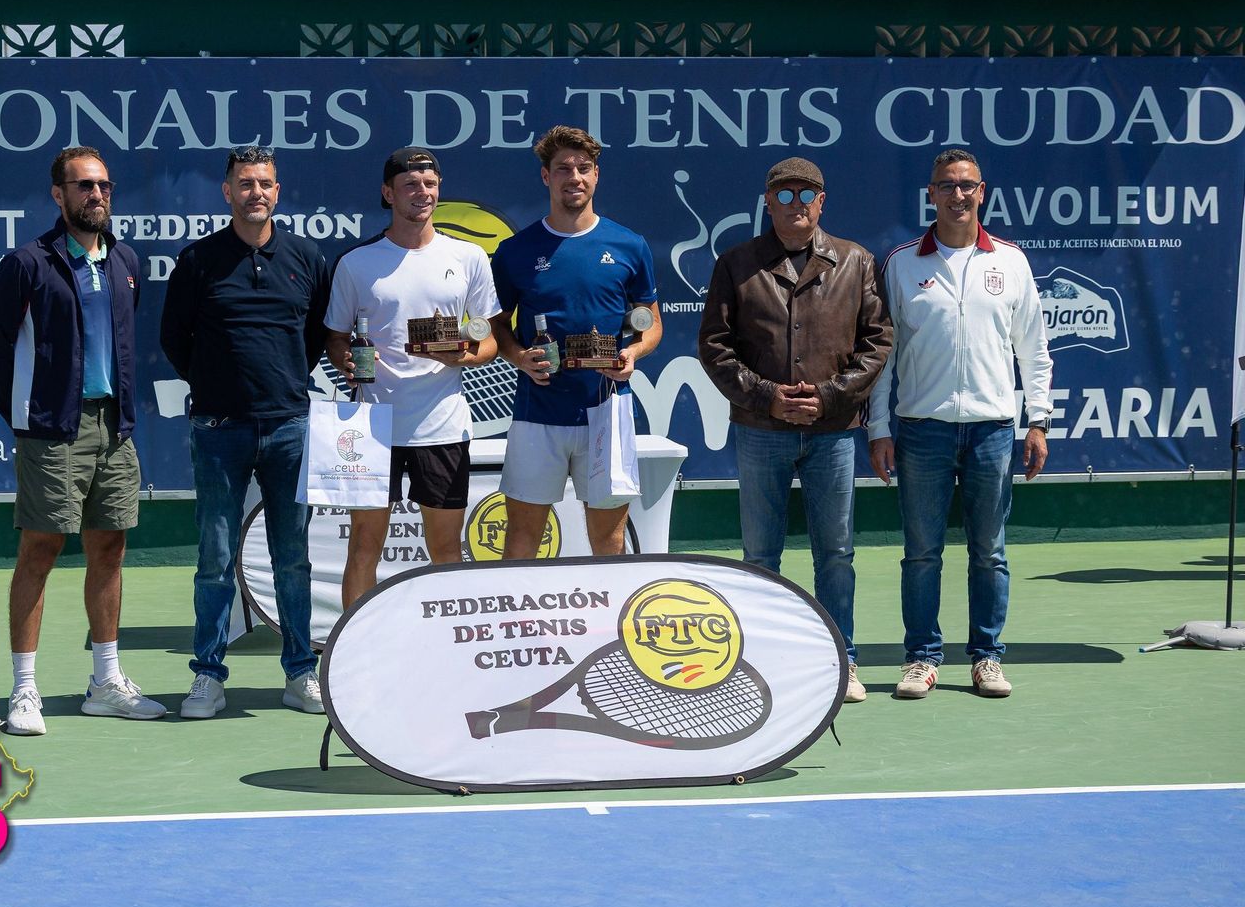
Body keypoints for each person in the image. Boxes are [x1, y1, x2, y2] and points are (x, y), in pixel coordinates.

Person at [0, 145, 165, 736]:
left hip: (115, 427)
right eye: (84, 186)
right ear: (58, 195)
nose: (98, 196)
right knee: (41, 550)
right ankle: (25, 689)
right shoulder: (28, 263)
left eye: (105, 186)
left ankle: (105, 683)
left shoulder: (125, 261)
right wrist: (27, 414)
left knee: (109, 549)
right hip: (52, 430)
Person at [698, 157, 892, 704]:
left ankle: (842, 659)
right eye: (783, 195)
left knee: (836, 553)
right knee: (761, 555)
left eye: (806, 194)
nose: (796, 205)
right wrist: (767, 396)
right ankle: (762, 661)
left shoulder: (855, 261)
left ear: (822, 201)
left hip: (832, 431)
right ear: (767, 202)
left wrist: (830, 395)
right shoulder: (736, 264)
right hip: (762, 429)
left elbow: (877, 341)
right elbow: (714, 346)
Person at [869, 148, 1052, 701]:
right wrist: (879, 427)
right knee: (921, 551)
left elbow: (1034, 351)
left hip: (993, 429)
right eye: (946, 186)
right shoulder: (902, 264)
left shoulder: (1011, 262)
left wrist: (1037, 420)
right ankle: (921, 659)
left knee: (989, 551)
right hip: (922, 428)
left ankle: (986, 658)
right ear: (930, 194)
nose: (957, 195)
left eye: (966, 185)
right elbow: (883, 355)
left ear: (983, 191)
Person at [161, 145, 332, 718]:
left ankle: (300, 672)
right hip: (217, 429)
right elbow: (174, 339)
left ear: (277, 192)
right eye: (245, 183)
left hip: (290, 425)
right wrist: (217, 384)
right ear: (227, 192)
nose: (255, 192)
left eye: (265, 183)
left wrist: (278, 382)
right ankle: (207, 676)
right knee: (214, 557)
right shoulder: (199, 260)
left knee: (293, 559)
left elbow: (311, 337)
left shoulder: (307, 258)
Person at [325, 147, 501, 607]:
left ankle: (448, 652)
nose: (422, 193)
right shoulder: (355, 263)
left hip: (441, 425)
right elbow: (336, 338)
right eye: (410, 185)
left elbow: (490, 340)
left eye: (430, 184)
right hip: (372, 425)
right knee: (364, 546)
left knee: (445, 549)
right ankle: (352, 658)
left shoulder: (468, 258)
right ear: (388, 193)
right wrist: (347, 360)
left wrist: (464, 354)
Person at [489, 126, 661, 558]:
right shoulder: (515, 251)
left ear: (596, 175)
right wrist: (518, 357)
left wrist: (633, 353)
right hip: (537, 411)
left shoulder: (630, 245)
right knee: (523, 539)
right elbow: (497, 327)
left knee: (609, 541)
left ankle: (609, 626)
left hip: (607, 407)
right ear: (546, 177)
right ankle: (520, 625)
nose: (575, 177)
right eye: (563, 168)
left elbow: (651, 325)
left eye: (584, 168)